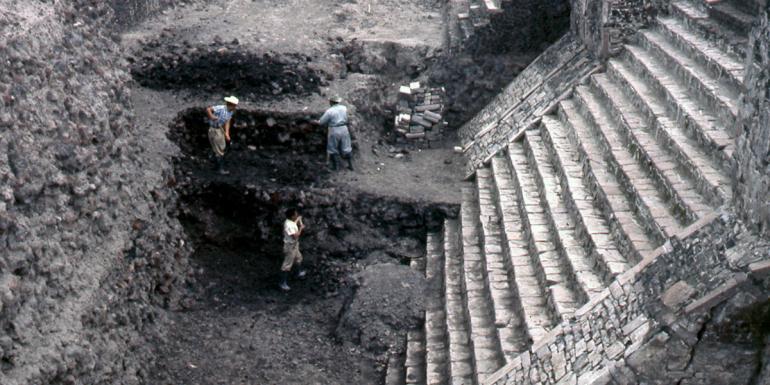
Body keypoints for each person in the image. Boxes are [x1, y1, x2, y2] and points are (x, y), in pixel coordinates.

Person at [317, 95, 353, 171]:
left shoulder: (329, 111)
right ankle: (350, 165)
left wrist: (316, 122)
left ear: (331, 102)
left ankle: (336, 167)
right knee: (347, 147)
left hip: (334, 129)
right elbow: (348, 118)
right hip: (344, 128)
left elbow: (321, 122)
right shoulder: (344, 108)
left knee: (332, 148)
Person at [206, 96, 238, 174]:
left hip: (220, 129)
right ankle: (219, 169)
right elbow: (208, 109)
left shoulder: (231, 111)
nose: (236, 107)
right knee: (219, 149)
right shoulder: (220, 108)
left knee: (221, 147)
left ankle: (215, 166)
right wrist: (212, 116)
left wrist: (227, 133)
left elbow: (227, 122)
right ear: (231, 104)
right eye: (235, 105)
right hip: (214, 130)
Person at [279, 208, 307, 291]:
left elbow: (294, 224)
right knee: (287, 265)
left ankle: (299, 273)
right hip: (290, 246)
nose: (297, 215)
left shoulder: (291, 222)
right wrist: (301, 228)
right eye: (295, 215)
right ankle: (282, 283)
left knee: (298, 258)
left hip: (295, 245)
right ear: (291, 216)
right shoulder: (288, 225)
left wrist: (298, 220)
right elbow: (295, 236)